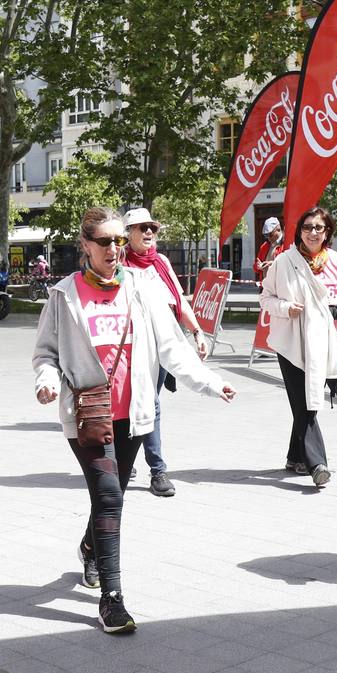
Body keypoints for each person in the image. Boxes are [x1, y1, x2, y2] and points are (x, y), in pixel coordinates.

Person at [33, 206, 236, 633]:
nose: (114, 249)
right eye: (104, 241)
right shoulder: (64, 295)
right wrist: (46, 381)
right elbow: (46, 354)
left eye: (119, 241)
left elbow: (172, 348)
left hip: (133, 415)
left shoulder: (142, 288)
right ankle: (112, 599)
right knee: (109, 498)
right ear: (85, 245)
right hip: (89, 414)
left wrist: (210, 382)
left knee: (113, 494)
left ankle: (91, 546)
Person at [259, 207, 337, 489]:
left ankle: (295, 457)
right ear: (299, 230)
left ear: (327, 232)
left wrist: (331, 311)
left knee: (305, 399)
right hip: (290, 342)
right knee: (305, 402)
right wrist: (286, 308)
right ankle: (318, 463)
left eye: (318, 228)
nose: (312, 232)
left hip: (322, 342)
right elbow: (265, 298)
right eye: (307, 227)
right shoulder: (283, 262)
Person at [121, 207, 209, 498]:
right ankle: (128, 460)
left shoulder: (161, 263)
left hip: (162, 346)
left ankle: (157, 471)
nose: (149, 232)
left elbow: (180, 302)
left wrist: (197, 332)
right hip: (128, 345)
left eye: (153, 228)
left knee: (150, 402)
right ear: (128, 233)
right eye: (142, 227)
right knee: (131, 401)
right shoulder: (118, 265)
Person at [255, 217, 285, 283]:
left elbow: (289, 265)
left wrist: (272, 263)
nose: (268, 238)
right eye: (266, 235)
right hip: (265, 286)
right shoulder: (264, 246)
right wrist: (257, 266)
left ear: (278, 229)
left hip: (281, 286)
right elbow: (255, 265)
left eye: (270, 234)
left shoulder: (287, 244)